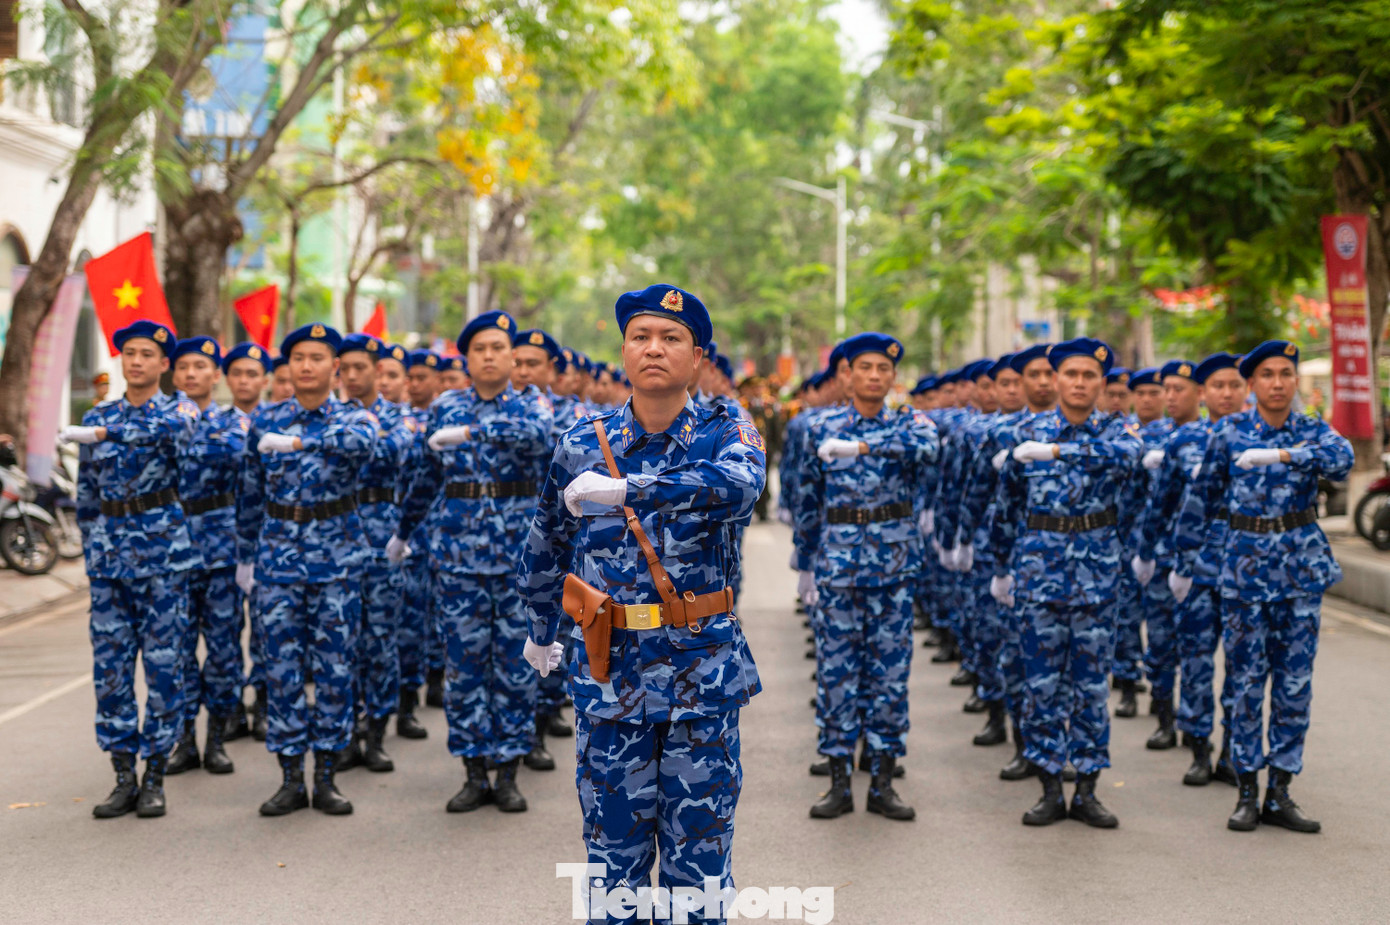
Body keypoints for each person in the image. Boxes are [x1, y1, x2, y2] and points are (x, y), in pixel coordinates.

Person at [517, 283, 763, 924]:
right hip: (611, 674)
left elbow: (740, 487)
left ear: (698, 355)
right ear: (624, 350)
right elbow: (547, 536)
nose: (654, 349)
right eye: (640, 337)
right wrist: (541, 624)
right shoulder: (580, 441)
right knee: (612, 856)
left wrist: (629, 487)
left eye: (671, 338)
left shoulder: (724, 429)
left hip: (699, 673)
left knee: (700, 859)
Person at [1179, 340, 1353, 833]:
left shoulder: (1312, 430)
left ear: (1295, 382)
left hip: (1299, 574)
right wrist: (1185, 563)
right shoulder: (1228, 432)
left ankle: (1281, 790)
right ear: (1251, 384)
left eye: (1286, 374)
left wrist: (1284, 453)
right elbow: (1202, 499)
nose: (1278, 383)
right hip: (1244, 575)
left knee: (1294, 687)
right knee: (1245, 685)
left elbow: (1340, 460)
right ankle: (1247, 790)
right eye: (1268, 375)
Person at [394, 310, 554, 814]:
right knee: (464, 667)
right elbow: (425, 477)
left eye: (498, 348)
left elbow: (536, 437)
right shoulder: (445, 407)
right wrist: (404, 530)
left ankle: (508, 770)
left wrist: (470, 435)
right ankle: (472, 768)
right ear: (466, 357)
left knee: (513, 664)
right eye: (479, 348)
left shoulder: (533, 404)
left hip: (517, 559)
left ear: (511, 357)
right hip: (458, 557)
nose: (489, 355)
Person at [991, 337, 1141, 828]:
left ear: (1102, 384)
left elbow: (1126, 459)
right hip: (1039, 573)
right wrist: (1000, 566)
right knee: (1042, 685)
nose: (1079, 383)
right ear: (1055, 380)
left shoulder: (1118, 431)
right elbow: (1007, 504)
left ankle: (1090, 787)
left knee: (1092, 686)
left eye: (1089, 377)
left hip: (1097, 576)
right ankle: (1051, 786)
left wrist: (1055, 451)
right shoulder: (1023, 431)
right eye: (1070, 375)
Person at [793, 332, 938, 822]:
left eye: (884, 369)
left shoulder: (910, 422)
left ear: (893, 377)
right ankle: (838, 779)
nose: (875, 376)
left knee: (890, 677)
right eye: (866, 368)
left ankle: (882, 780)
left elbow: (929, 446)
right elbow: (807, 498)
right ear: (847, 375)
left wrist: (858, 445)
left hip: (894, 570)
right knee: (837, 675)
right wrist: (805, 560)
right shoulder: (819, 427)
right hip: (837, 567)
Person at [61, 320, 202, 819]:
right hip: (110, 558)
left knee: (164, 667)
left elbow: (173, 430)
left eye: (147, 353)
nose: (136, 360)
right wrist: (92, 548)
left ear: (164, 364)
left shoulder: (179, 408)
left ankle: (156, 773)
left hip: (163, 556)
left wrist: (104, 432)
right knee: (112, 670)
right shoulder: (97, 413)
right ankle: (123, 774)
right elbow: (86, 495)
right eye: (129, 353)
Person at [237, 322, 377, 817]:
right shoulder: (266, 419)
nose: (306, 365)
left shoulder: (353, 418)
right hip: (277, 557)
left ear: (335, 366)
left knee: (336, 670)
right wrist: (245, 556)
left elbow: (360, 446)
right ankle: (291, 777)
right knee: (282, 670)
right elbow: (250, 492)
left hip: (335, 558)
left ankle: (327, 776)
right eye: (297, 357)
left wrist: (297, 445)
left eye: (317, 357)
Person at [1133, 352, 1243, 787]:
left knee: (1242, 665)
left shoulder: (1259, 440)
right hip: (1193, 565)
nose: (1227, 394)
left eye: (1235, 385)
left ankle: (1234, 750)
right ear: (1206, 393)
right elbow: (1160, 505)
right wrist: (1146, 553)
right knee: (1193, 657)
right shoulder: (1184, 442)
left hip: (1245, 567)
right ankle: (1197, 744)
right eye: (1218, 386)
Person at [167, 336, 248, 777]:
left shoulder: (235, 425)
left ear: (216, 375)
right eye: (183, 367)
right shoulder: (160, 423)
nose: (191, 374)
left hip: (221, 549)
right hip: (172, 549)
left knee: (222, 650)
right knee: (177, 650)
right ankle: (184, 738)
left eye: (201, 366)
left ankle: (217, 737)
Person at [334, 334, 414, 774]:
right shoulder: (331, 415)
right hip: (338, 534)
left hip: (384, 535)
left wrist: (345, 441)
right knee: (341, 641)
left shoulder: (398, 417)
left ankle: (376, 733)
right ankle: (346, 731)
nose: (351, 376)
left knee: (380, 639)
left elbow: (394, 449)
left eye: (360, 367)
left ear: (376, 372)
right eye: (344, 368)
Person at [511, 327, 582, 771]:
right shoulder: (499, 409)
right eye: (516, 362)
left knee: (555, 637)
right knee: (509, 645)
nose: (522, 372)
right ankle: (511, 742)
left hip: (555, 543)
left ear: (551, 369)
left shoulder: (573, 416)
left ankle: (539, 722)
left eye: (532, 364)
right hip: (501, 540)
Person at [1130, 360, 1196, 750]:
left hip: (1199, 557)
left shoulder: (1212, 436)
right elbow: (1137, 498)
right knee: (1160, 640)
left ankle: (1195, 724)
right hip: (1158, 552)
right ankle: (1164, 717)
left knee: (1197, 644)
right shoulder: (1148, 436)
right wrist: (1141, 549)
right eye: (1164, 389)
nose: (1168, 397)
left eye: (1175, 390)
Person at [222, 341, 272, 741]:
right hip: (219, 540)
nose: (244, 380)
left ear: (265, 380)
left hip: (269, 539)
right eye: (237, 373)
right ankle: (232, 705)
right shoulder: (212, 424)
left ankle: (265, 703)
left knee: (266, 626)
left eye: (252, 373)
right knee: (225, 630)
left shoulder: (279, 423)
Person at [1111, 367, 1166, 718]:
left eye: (1154, 393)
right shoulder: (1120, 434)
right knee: (1126, 615)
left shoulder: (1176, 435)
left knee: (1162, 622)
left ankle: (1162, 696)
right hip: (1128, 538)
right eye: (1141, 393)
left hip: (1166, 543)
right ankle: (1128, 685)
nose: (1147, 399)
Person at [397, 348, 442, 736]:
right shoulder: (392, 420)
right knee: (399, 620)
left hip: (435, 530)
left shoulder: (443, 419)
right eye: (408, 377)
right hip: (399, 529)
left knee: (424, 615)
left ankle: (417, 692)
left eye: (420, 377)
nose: (413, 384)